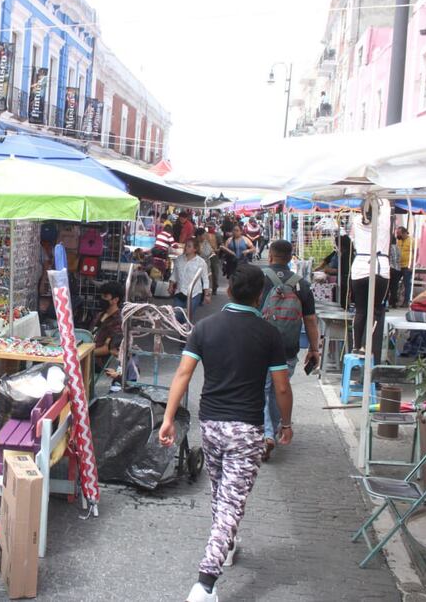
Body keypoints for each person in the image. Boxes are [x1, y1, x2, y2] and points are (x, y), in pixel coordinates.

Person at [159, 264, 293, 602]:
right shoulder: (269, 334)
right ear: (260, 296)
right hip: (246, 430)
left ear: (229, 290)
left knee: (222, 495)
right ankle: (204, 583)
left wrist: (168, 418)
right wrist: (285, 424)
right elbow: (281, 389)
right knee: (231, 502)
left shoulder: (204, 328)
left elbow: (182, 375)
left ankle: (227, 545)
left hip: (212, 425)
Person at [260, 240, 319, 461]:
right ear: (291, 258)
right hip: (288, 348)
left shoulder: (260, 279)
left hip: (261, 345)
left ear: (271, 257)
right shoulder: (302, 284)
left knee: (262, 390)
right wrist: (314, 349)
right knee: (278, 391)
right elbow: (311, 320)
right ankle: (274, 430)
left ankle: (266, 435)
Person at [350, 200, 391, 360]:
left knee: (360, 310)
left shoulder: (356, 221)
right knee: (375, 310)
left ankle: (356, 345)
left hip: (359, 268)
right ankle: (367, 346)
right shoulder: (383, 221)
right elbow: (386, 204)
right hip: (380, 268)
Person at [90, 280, 124, 378]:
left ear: (115, 300)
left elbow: (107, 349)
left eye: (105, 297)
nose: (102, 299)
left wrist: (85, 352)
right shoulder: (100, 315)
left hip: (99, 362)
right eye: (101, 296)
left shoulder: (118, 320)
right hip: (89, 353)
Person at [171, 238, 210, 322]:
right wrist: (171, 286)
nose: (186, 248)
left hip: (194, 293)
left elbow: (205, 279)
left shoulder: (201, 262)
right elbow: (174, 274)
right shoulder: (179, 259)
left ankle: (185, 334)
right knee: (177, 316)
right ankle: (183, 331)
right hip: (180, 291)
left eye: (189, 246)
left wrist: (207, 295)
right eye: (186, 246)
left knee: (187, 317)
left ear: (195, 249)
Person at [198, 227, 221, 296]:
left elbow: (209, 251)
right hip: (197, 265)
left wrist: (215, 251)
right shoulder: (194, 242)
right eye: (204, 235)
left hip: (207, 263)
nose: (205, 236)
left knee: (211, 274)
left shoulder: (216, 235)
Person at [396, 226, 414, 307]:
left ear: (404, 233)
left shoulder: (411, 241)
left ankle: (406, 302)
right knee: (394, 283)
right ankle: (395, 300)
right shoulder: (398, 241)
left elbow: (415, 253)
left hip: (407, 266)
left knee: (407, 284)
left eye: (399, 233)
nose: (398, 235)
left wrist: (412, 264)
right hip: (398, 265)